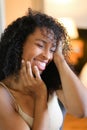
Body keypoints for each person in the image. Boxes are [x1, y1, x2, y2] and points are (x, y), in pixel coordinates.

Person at [0, 8, 85, 130]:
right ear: (18, 44)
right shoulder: (3, 95)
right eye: (40, 45)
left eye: (52, 50)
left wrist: (60, 59)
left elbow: (82, 111)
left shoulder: (51, 80)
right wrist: (41, 96)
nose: (47, 56)